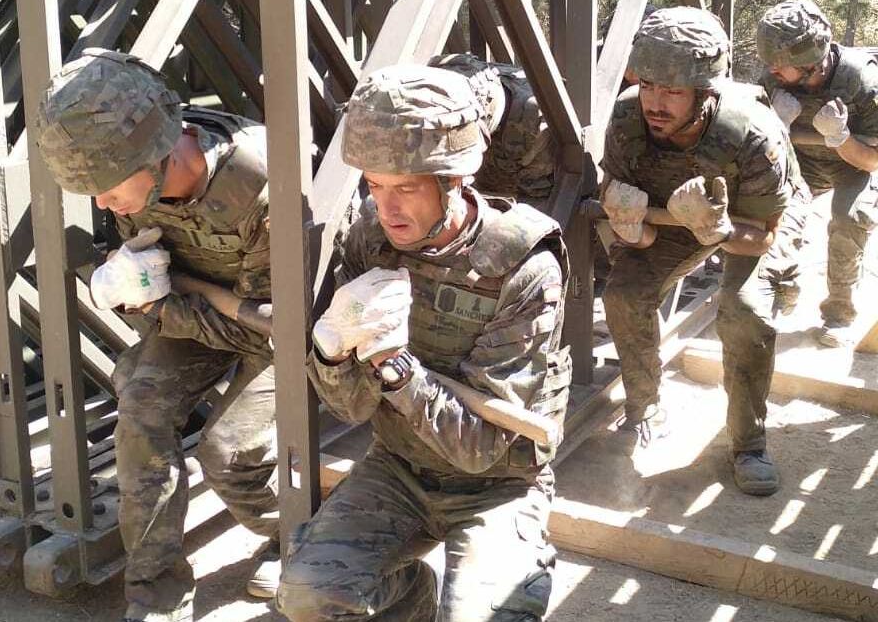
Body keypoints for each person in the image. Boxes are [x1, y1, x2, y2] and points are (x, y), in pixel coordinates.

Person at [277, 64, 570, 621]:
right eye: (374, 185)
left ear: (455, 179)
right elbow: (352, 407)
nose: (387, 209)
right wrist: (333, 350)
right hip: (399, 469)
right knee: (307, 595)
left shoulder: (523, 265)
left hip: (496, 486)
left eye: (406, 188)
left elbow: (480, 450)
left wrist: (394, 365)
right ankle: (412, 600)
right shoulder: (371, 237)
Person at [31, 48, 278, 622]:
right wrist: (144, 295)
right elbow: (157, 287)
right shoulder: (129, 163)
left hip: (277, 333)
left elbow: (272, 325)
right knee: (141, 409)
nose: (100, 202)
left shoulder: (260, 184)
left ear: (160, 154)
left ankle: (297, 533)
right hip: (204, 314)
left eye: (108, 186)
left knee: (228, 453)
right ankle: (155, 595)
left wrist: (163, 308)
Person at [600, 7, 798, 496]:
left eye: (673, 91)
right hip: (675, 218)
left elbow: (765, 234)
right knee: (624, 292)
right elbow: (636, 233)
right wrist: (630, 225)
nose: (656, 103)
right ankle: (645, 407)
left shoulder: (751, 132)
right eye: (649, 86)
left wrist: (716, 231)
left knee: (746, 311)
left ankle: (749, 444)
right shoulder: (627, 119)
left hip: (750, 220)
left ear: (705, 93)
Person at [756, 0, 878, 347]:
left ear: (811, 64)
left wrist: (839, 137)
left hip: (857, 157)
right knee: (765, 204)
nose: (772, 72)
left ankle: (839, 314)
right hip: (804, 157)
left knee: (849, 218)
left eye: (779, 66)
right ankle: (778, 286)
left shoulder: (862, 80)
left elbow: (874, 160)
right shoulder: (775, 78)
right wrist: (777, 126)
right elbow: (757, 146)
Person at [429, 53, 557, 203]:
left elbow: (536, 204)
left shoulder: (535, 125)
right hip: (485, 105)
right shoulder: (449, 74)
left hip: (510, 170)